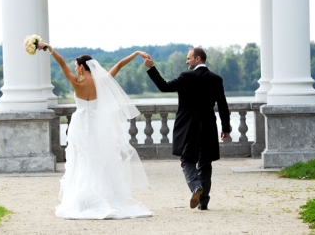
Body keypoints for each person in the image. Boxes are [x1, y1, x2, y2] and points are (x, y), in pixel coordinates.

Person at [37, 42, 153, 220]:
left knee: (82, 158)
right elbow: (120, 64)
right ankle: (103, 195)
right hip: (98, 123)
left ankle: (84, 198)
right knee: (99, 157)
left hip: (80, 122)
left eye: (76, 66)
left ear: (82, 67)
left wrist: (50, 49)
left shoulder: (76, 82)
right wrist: (137, 53)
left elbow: (61, 63)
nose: (75, 69)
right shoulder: (102, 81)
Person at [143, 47, 231, 210]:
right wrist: (226, 127)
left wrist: (151, 68)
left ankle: (196, 186)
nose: (186, 61)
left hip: (189, 126)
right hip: (209, 125)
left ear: (198, 59)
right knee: (205, 163)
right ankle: (203, 202)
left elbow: (164, 86)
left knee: (187, 160)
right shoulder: (216, 79)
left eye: (188, 58)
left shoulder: (186, 76)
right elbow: (223, 105)